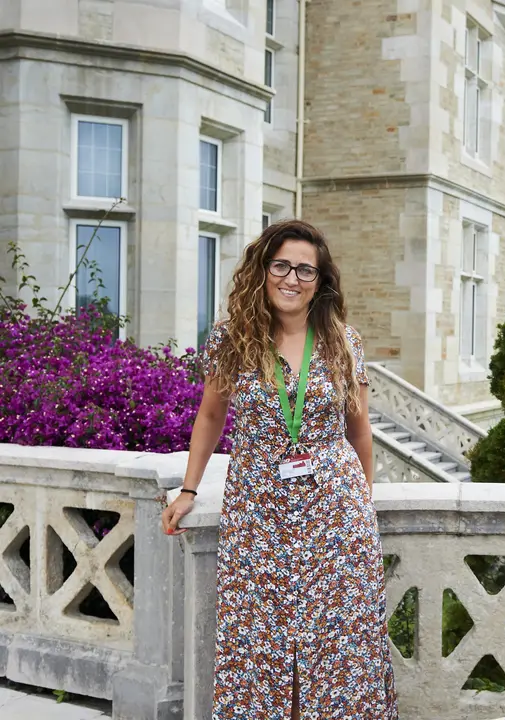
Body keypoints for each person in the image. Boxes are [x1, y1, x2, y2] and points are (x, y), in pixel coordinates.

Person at [160, 219, 397, 719]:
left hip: (334, 516)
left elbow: (359, 433)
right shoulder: (231, 339)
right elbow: (210, 416)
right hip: (258, 515)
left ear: (321, 281)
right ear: (263, 271)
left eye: (305, 270)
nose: (292, 278)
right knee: (260, 644)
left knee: (338, 644)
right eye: (281, 265)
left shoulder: (342, 342)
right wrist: (188, 488)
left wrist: (363, 506)